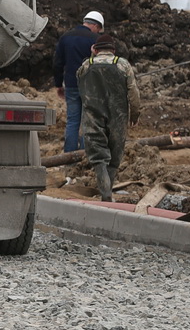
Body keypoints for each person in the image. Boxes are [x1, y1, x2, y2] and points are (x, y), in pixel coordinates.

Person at [76, 34, 141, 202]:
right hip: (117, 116)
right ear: (113, 50)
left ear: (95, 50)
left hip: (92, 116)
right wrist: (134, 114)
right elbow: (133, 92)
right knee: (114, 157)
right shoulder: (123, 64)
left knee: (99, 158)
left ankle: (105, 194)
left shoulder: (86, 65)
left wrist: (91, 56)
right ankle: (107, 195)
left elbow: (79, 81)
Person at [53, 10, 104, 152]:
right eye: (98, 29)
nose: (98, 32)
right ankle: (85, 154)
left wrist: (58, 84)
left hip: (70, 85)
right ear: (95, 25)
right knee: (87, 122)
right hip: (90, 86)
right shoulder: (95, 39)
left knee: (72, 121)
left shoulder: (65, 37)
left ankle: (69, 156)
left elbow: (57, 63)